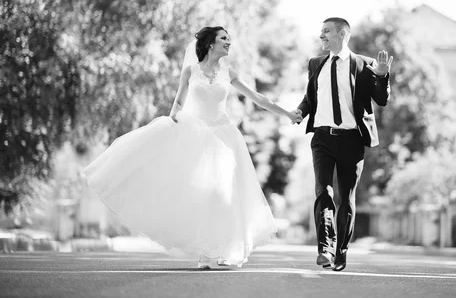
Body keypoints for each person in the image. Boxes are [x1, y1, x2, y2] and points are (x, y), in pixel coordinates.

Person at [83, 26, 301, 269]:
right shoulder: (190, 71)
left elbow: (258, 98)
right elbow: (178, 103)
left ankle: (223, 250)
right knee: (200, 194)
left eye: (229, 38)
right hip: (195, 135)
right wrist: (170, 126)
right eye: (223, 38)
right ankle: (205, 252)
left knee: (223, 194)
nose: (229, 42)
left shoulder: (230, 73)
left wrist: (287, 113)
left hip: (223, 137)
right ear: (210, 43)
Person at [293, 17, 392, 272]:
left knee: (345, 198)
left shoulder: (364, 64)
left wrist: (381, 77)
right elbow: (311, 96)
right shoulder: (315, 63)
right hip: (323, 138)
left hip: (352, 139)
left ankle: (341, 251)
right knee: (323, 191)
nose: (321, 36)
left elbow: (381, 100)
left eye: (326, 31)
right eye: (321, 32)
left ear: (342, 34)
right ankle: (325, 247)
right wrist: (300, 112)